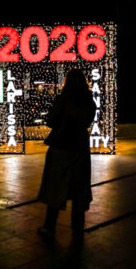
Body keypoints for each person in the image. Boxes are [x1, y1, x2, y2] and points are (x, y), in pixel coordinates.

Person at [37, 69, 96, 240]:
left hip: (61, 146)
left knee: (55, 188)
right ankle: (77, 230)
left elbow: (50, 121)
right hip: (80, 148)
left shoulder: (62, 99)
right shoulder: (89, 101)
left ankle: (50, 227)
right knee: (79, 191)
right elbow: (86, 121)